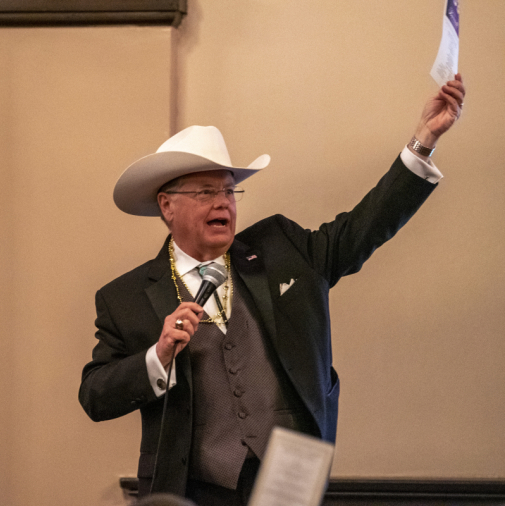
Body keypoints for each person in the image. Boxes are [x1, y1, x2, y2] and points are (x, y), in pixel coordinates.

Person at [79, 75, 465, 506]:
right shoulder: (125, 297)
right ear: (167, 206)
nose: (223, 202)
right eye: (206, 192)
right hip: (196, 490)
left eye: (229, 190)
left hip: (291, 482)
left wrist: (423, 141)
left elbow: (361, 229)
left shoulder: (282, 249)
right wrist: (159, 355)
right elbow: (95, 395)